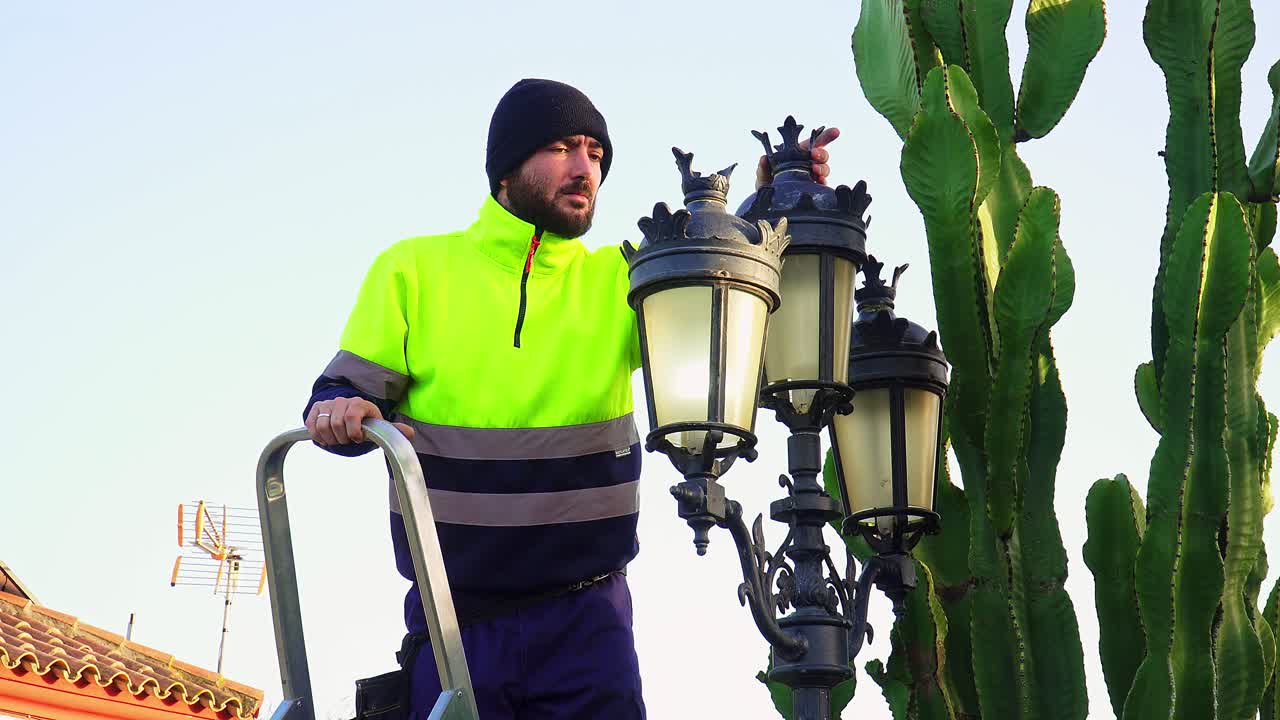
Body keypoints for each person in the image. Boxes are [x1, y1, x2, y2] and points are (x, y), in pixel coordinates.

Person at [303, 78, 837, 720]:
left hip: (589, 622)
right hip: (454, 621)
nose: (586, 168)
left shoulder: (625, 276)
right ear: (507, 167)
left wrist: (775, 197)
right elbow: (345, 392)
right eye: (562, 148)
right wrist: (338, 410)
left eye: (596, 153)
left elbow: (725, 287)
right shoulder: (413, 270)